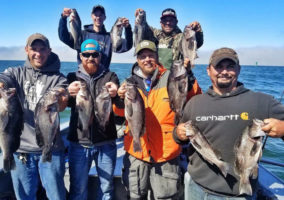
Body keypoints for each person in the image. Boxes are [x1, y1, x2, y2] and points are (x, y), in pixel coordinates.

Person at [173, 47, 284, 199]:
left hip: (239, 195)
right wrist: (178, 133)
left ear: (239, 69)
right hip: (196, 188)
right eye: (219, 66)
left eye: (230, 67)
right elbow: (178, 136)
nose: (224, 72)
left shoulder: (261, 101)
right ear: (208, 70)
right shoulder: (194, 103)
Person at [114, 40, 202, 200]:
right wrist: (118, 99)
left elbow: (194, 99)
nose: (147, 59)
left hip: (166, 152)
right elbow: (120, 112)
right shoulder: (128, 82)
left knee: (166, 197)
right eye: (142, 56)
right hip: (136, 152)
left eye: (150, 55)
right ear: (137, 60)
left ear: (157, 57)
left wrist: (189, 76)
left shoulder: (172, 76)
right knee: (134, 195)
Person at [0, 33, 68, 200]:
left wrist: (61, 97)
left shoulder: (59, 78)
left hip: (51, 148)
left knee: (56, 196)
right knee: (24, 197)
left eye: (42, 49)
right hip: (20, 149)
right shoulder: (15, 72)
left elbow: (62, 104)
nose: (38, 53)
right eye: (34, 49)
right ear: (26, 50)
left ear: (49, 51)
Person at [66, 39, 123, 200]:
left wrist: (117, 93)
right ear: (80, 56)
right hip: (78, 143)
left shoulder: (111, 76)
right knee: (78, 189)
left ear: (100, 57)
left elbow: (119, 104)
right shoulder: (71, 77)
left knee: (106, 188)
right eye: (86, 54)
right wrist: (66, 92)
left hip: (106, 142)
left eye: (94, 54)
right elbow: (65, 104)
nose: (90, 58)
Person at [59, 5, 133, 69]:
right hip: (83, 75)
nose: (98, 17)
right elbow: (63, 37)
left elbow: (127, 46)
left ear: (105, 17)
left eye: (100, 15)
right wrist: (63, 18)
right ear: (91, 16)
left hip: (103, 76)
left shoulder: (109, 37)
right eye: (95, 15)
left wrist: (127, 29)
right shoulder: (82, 35)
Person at [135, 8, 204, 70]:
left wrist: (198, 31)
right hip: (157, 77)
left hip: (176, 77)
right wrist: (142, 16)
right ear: (161, 22)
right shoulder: (154, 34)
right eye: (165, 20)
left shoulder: (182, 37)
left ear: (176, 22)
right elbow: (144, 28)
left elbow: (197, 42)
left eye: (171, 20)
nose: (168, 23)